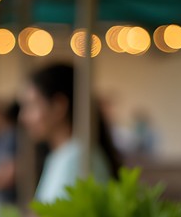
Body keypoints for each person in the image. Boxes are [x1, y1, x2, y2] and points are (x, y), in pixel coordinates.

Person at [20, 62, 121, 204]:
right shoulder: (63, 155)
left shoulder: (78, 159)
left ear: (59, 106)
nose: (23, 117)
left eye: (32, 105)